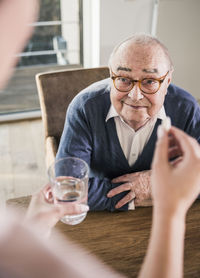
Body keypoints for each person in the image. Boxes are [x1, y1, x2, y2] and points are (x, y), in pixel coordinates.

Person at [56, 34, 200, 211]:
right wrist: (152, 191)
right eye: (124, 79)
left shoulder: (187, 108)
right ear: (111, 76)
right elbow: (68, 189)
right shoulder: (84, 107)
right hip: (99, 223)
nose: (135, 95)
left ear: (167, 81)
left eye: (149, 82)